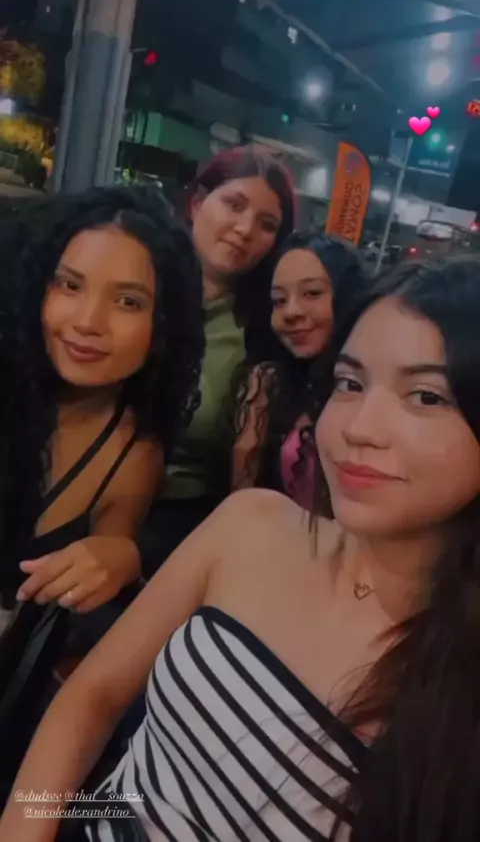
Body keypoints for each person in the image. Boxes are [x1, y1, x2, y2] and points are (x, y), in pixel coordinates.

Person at [3, 254, 480, 842]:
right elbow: (94, 699)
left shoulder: (458, 675)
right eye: (350, 384)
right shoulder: (252, 524)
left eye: (426, 396)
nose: (359, 427)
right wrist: (26, 823)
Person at [0, 185, 204, 793]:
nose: (88, 322)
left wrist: (123, 554)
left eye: (128, 301)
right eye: (69, 285)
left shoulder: (132, 455)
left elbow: (106, 570)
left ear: (161, 326)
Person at [140, 145, 295, 574]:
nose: (245, 229)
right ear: (196, 203)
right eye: (234, 205)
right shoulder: (130, 284)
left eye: (267, 224)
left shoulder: (264, 335)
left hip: (174, 529)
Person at [231, 231, 366, 509]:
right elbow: (242, 500)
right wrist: (252, 432)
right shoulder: (271, 384)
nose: (291, 312)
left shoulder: (373, 390)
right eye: (279, 300)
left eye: (312, 293)